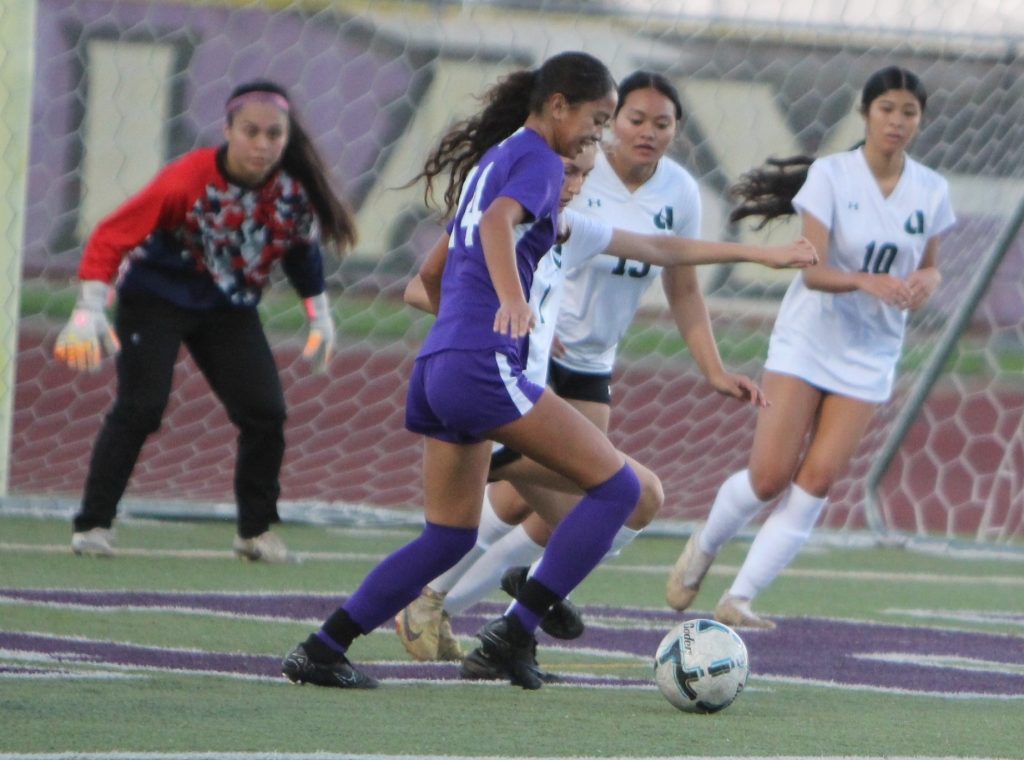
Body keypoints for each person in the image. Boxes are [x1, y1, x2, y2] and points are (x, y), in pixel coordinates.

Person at [279, 50, 647, 691]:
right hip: (483, 368)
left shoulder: (493, 160)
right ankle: (515, 630)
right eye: (598, 118)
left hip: (439, 365)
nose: (600, 135)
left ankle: (323, 646)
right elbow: (504, 225)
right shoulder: (536, 157)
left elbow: (429, 273)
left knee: (448, 535)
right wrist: (509, 297)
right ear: (558, 105)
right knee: (619, 491)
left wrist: (469, 318)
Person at [396, 71, 780, 661]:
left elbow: (677, 276)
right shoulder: (553, 172)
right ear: (604, 120)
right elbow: (436, 276)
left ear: (679, 130)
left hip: (592, 364)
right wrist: (495, 321)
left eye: (663, 123)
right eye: (630, 120)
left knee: (573, 511)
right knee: (607, 496)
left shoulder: (672, 192)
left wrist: (714, 365)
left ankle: (463, 602)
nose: (646, 133)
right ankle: (484, 599)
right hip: (525, 363)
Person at [665, 66, 956, 628]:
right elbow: (814, 270)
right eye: (887, 109)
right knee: (769, 475)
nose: (897, 121)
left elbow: (932, 270)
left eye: (909, 112)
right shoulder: (831, 175)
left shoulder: (932, 190)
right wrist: (865, 281)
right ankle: (703, 547)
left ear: (920, 120)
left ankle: (740, 599)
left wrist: (927, 284)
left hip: (871, 353)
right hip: (808, 341)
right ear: (867, 114)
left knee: (818, 479)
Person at [54, 80, 356, 563]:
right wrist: (89, 306)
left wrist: (319, 315)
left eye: (273, 134)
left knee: (265, 413)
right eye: (250, 131)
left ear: (287, 137)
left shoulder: (292, 194)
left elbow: (301, 254)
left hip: (228, 309)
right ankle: (93, 524)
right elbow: (114, 234)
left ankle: (254, 532)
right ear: (227, 130)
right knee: (142, 407)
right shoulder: (188, 179)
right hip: (156, 299)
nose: (262, 144)